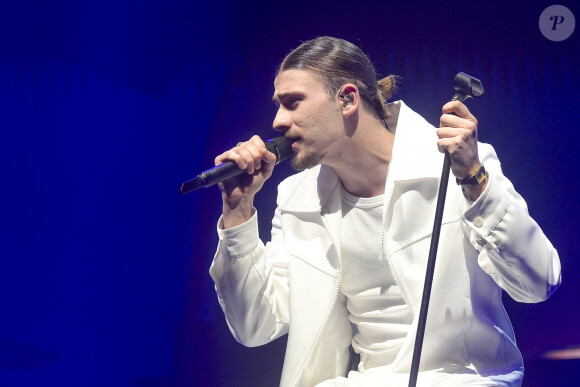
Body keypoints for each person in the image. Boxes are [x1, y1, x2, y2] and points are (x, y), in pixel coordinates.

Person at [208, 36, 561, 386]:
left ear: (347, 99)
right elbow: (255, 326)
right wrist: (237, 210)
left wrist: (473, 179)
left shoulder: (459, 164)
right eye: (278, 105)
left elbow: (538, 282)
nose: (278, 121)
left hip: (466, 378)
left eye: (292, 103)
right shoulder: (297, 198)